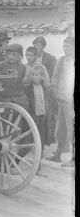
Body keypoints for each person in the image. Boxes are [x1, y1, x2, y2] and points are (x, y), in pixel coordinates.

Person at [47, 37, 75, 167]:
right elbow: (55, 78)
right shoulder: (61, 60)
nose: (65, 48)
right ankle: (58, 155)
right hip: (62, 99)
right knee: (61, 129)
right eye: (64, 46)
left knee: (71, 130)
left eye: (68, 46)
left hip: (71, 102)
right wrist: (54, 90)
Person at [0, 43, 29, 109]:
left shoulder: (22, 67)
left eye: (14, 55)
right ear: (6, 55)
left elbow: (22, 84)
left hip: (19, 99)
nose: (11, 57)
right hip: (3, 98)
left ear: (19, 56)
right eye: (9, 54)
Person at [25, 64, 51, 155]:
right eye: (33, 75)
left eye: (37, 75)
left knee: (41, 137)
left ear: (42, 77)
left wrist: (46, 113)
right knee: (30, 137)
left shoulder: (43, 88)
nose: (34, 77)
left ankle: (40, 154)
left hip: (42, 116)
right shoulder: (28, 88)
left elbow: (45, 101)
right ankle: (20, 155)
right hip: (33, 116)